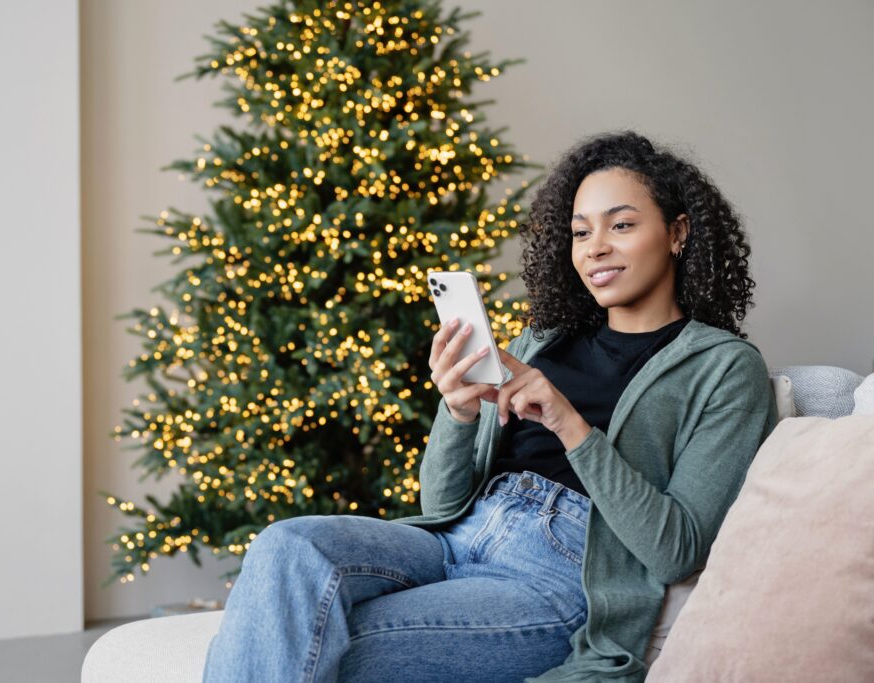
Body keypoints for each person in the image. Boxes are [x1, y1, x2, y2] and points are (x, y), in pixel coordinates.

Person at [202, 130, 779, 682]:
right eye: (580, 233)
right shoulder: (542, 341)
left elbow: (675, 549)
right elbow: (443, 502)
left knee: (318, 644)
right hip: (455, 538)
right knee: (287, 545)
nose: (596, 248)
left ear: (678, 232)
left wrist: (568, 423)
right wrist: (457, 413)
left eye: (621, 225)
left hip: (557, 576)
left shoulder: (725, 368)